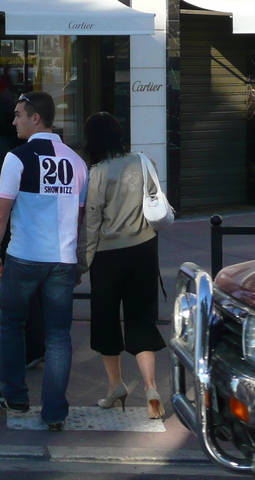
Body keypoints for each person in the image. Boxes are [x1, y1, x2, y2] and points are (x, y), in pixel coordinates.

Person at [0, 90, 88, 430]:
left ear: (36, 118)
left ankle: (14, 395)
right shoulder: (76, 161)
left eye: (18, 115)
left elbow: (0, 213)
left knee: (12, 325)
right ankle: (55, 412)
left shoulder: (18, 158)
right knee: (58, 336)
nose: (13, 121)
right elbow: (80, 214)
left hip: (25, 256)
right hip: (62, 258)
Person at [82, 112, 167, 419]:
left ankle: (116, 386)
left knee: (105, 321)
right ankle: (151, 389)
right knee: (141, 318)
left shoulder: (98, 173)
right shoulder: (143, 162)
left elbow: (92, 224)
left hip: (108, 255)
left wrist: (82, 263)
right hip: (145, 250)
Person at [0, 95, 45, 370]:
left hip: (11, 225)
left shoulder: (0, 147)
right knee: (38, 290)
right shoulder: (32, 145)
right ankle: (38, 345)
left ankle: (24, 356)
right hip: (37, 223)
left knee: (17, 292)